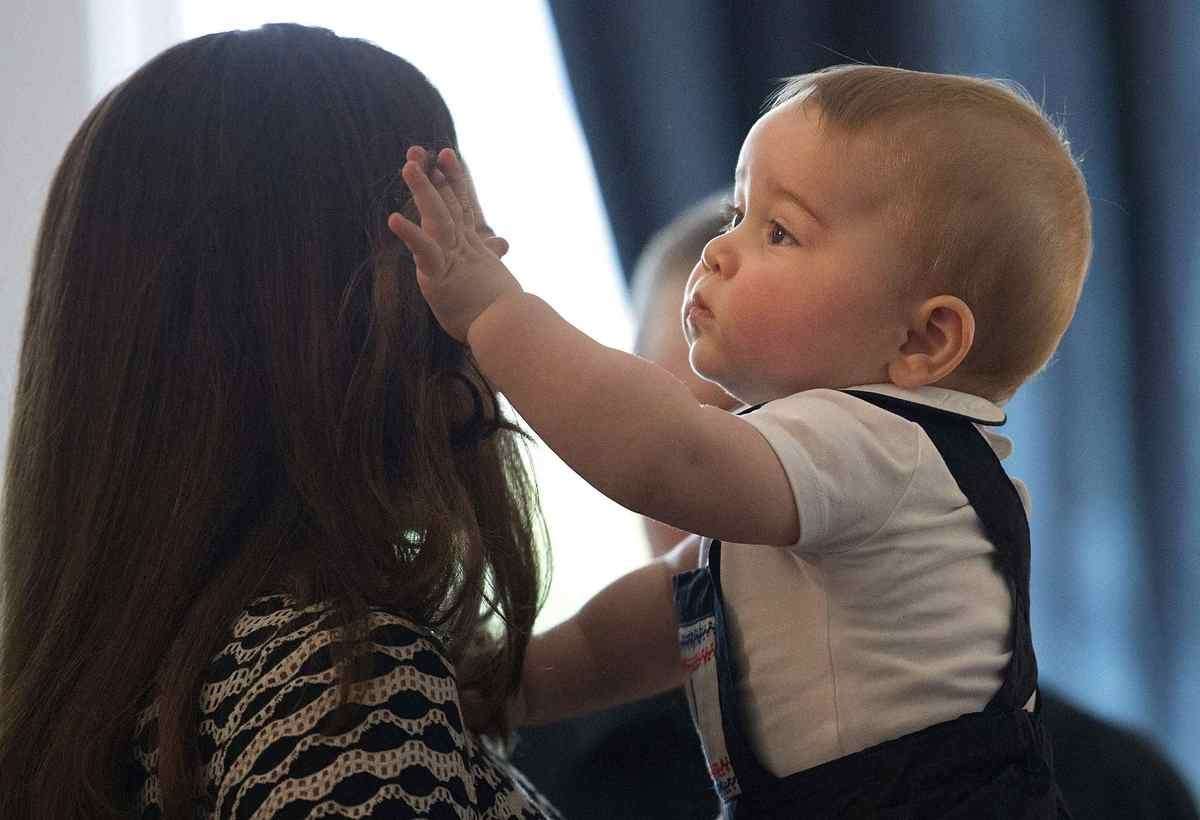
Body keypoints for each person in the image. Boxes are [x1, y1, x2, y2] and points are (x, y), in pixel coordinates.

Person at [391, 63, 1090, 817]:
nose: (719, 253)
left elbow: (664, 453)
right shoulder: (822, 488)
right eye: (735, 215)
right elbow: (648, 627)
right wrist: (503, 685)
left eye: (780, 231)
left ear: (923, 339)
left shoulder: (885, 447)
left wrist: (493, 311)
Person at [0, 24, 561, 820]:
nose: (489, 265)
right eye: (450, 232)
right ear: (337, 302)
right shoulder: (344, 687)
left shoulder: (147, 701)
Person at [513, 193, 1200, 819]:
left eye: (778, 432)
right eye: (687, 421)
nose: (718, 484)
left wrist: (493, 315)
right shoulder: (528, 762)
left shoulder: (1118, 790)